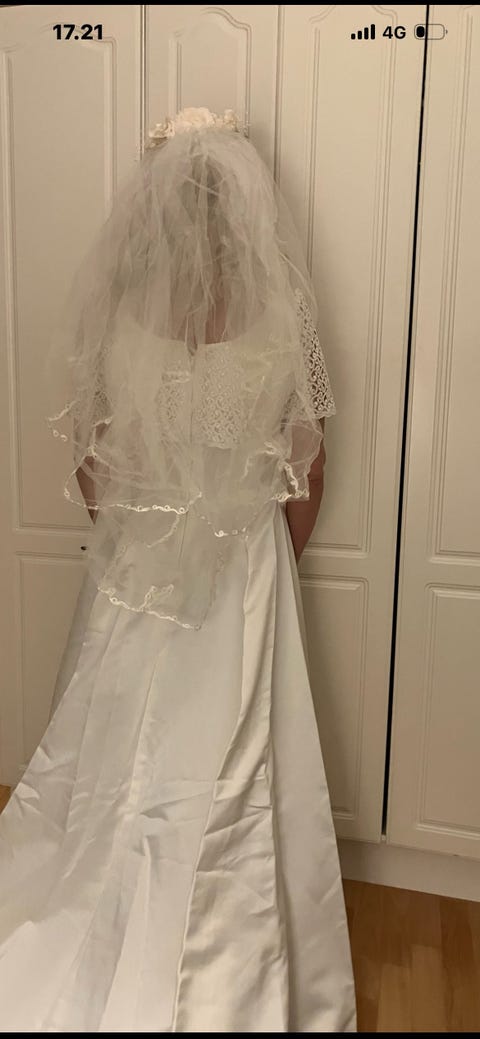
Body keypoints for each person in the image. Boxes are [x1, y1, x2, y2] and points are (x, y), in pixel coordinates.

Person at [0, 107, 357, 1032]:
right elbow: (308, 467)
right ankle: (225, 933)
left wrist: (134, 535)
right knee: (239, 763)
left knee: (114, 748)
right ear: (247, 215)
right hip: (246, 566)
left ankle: (110, 894)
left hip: (134, 560)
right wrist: (264, 558)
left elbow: (91, 459)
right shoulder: (283, 322)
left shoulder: (120, 323)